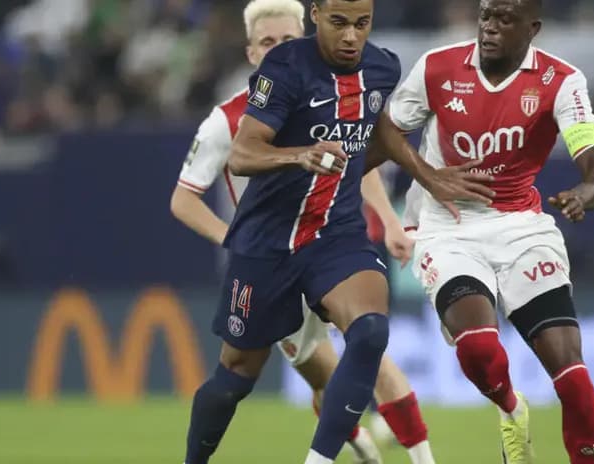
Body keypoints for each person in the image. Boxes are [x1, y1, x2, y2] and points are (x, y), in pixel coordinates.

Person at [180, 1, 491, 463]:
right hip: (267, 243)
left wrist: (426, 174)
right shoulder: (282, 71)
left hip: (335, 233)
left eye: (361, 24)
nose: (351, 36)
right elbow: (243, 155)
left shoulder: (382, 67)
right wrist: (300, 155)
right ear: (317, 15)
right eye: (340, 23)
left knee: (369, 332)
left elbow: (378, 133)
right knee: (235, 377)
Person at [372, 0, 594, 462]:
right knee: (482, 349)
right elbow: (384, 134)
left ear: (533, 28)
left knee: (575, 381)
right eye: (486, 15)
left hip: (523, 227)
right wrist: (426, 174)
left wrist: (585, 192)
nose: (490, 28)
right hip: (449, 225)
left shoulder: (560, 81)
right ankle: (510, 408)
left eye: (505, 19)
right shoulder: (438, 68)